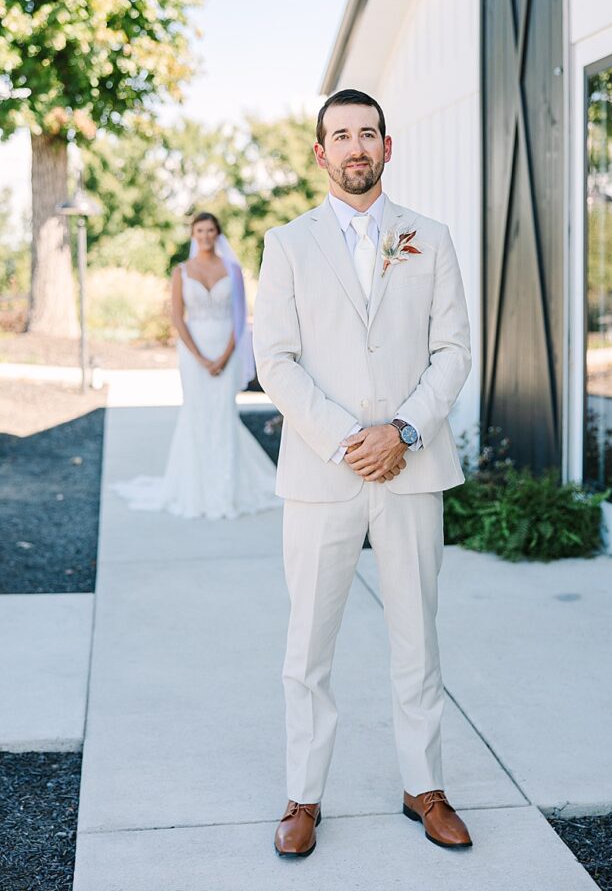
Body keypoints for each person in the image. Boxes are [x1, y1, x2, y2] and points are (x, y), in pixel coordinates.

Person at [253, 90, 473, 857]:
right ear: (319, 153)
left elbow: (452, 350)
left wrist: (403, 431)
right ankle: (303, 796)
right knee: (308, 644)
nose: (355, 146)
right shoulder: (285, 244)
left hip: (410, 467)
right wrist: (353, 438)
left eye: (366, 134)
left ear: (387, 146)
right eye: (339, 135)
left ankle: (424, 787)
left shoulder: (430, 238)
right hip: (323, 471)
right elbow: (273, 359)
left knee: (417, 635)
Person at [113, 212, 279, 520]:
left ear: (217, 234)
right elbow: (177, 317)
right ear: (193, 234)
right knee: (196, 413)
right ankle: (195, 487)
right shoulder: (182, 271)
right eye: (199, 230)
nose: (205, 235)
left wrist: (225, 355)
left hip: (226, 349)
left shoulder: (232, 269)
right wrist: (201, 357)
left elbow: (240, 317)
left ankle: (227, 488)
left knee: (222, 413)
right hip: (193, 351)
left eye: (210, 230)